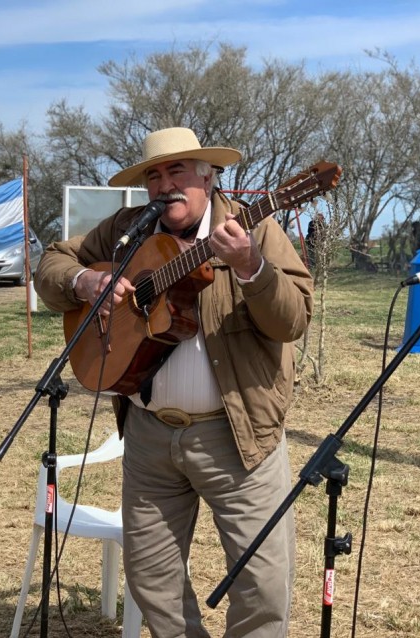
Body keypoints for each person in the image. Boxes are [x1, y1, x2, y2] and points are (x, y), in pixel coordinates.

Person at [34, 127, 313, 637]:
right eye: (154, 176)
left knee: (262, 584)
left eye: (177, 171)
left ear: (208, 177)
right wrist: (85, 281)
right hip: (148, 434)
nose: (165, 185)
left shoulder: (255, 228)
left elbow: (292, 320)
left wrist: (251, 266)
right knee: (152, 578)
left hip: (237, 435)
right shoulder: (127, 228)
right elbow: (52, 261)